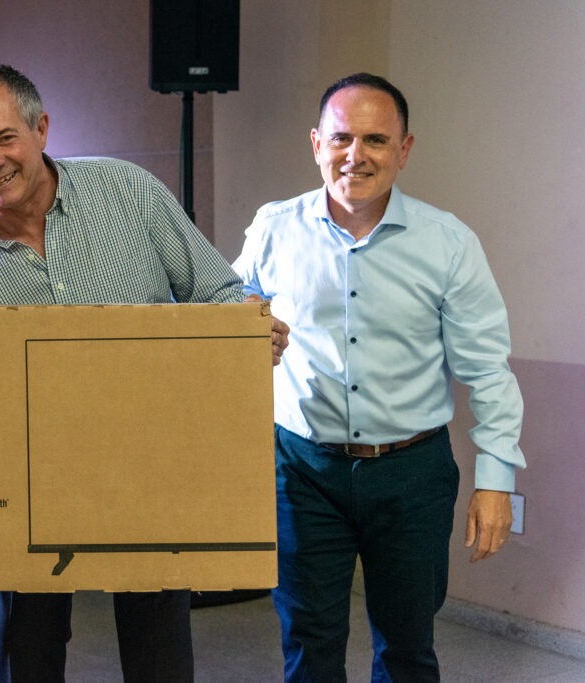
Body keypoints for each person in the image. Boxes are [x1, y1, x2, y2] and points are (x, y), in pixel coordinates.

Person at [0, 62, 288, 683]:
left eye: (5, 137)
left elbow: (216, 291)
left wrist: (246, 328)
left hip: (148, 466)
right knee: (29, 651)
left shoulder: (129, 193)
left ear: (41, 129)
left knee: (158, 652)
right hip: (31, 487)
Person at [232, 73, 526, 682]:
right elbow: (230, 319)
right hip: (302, 471)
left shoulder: (448, 243)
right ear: (317, 144)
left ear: (404, 149)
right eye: (342, 138)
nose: (356, 155)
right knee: (308, 643)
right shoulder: (273, 230)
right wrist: (242, 329)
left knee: (407, 647)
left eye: (376, 139)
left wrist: (496, 481)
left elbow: (487, 371)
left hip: (411, 474)